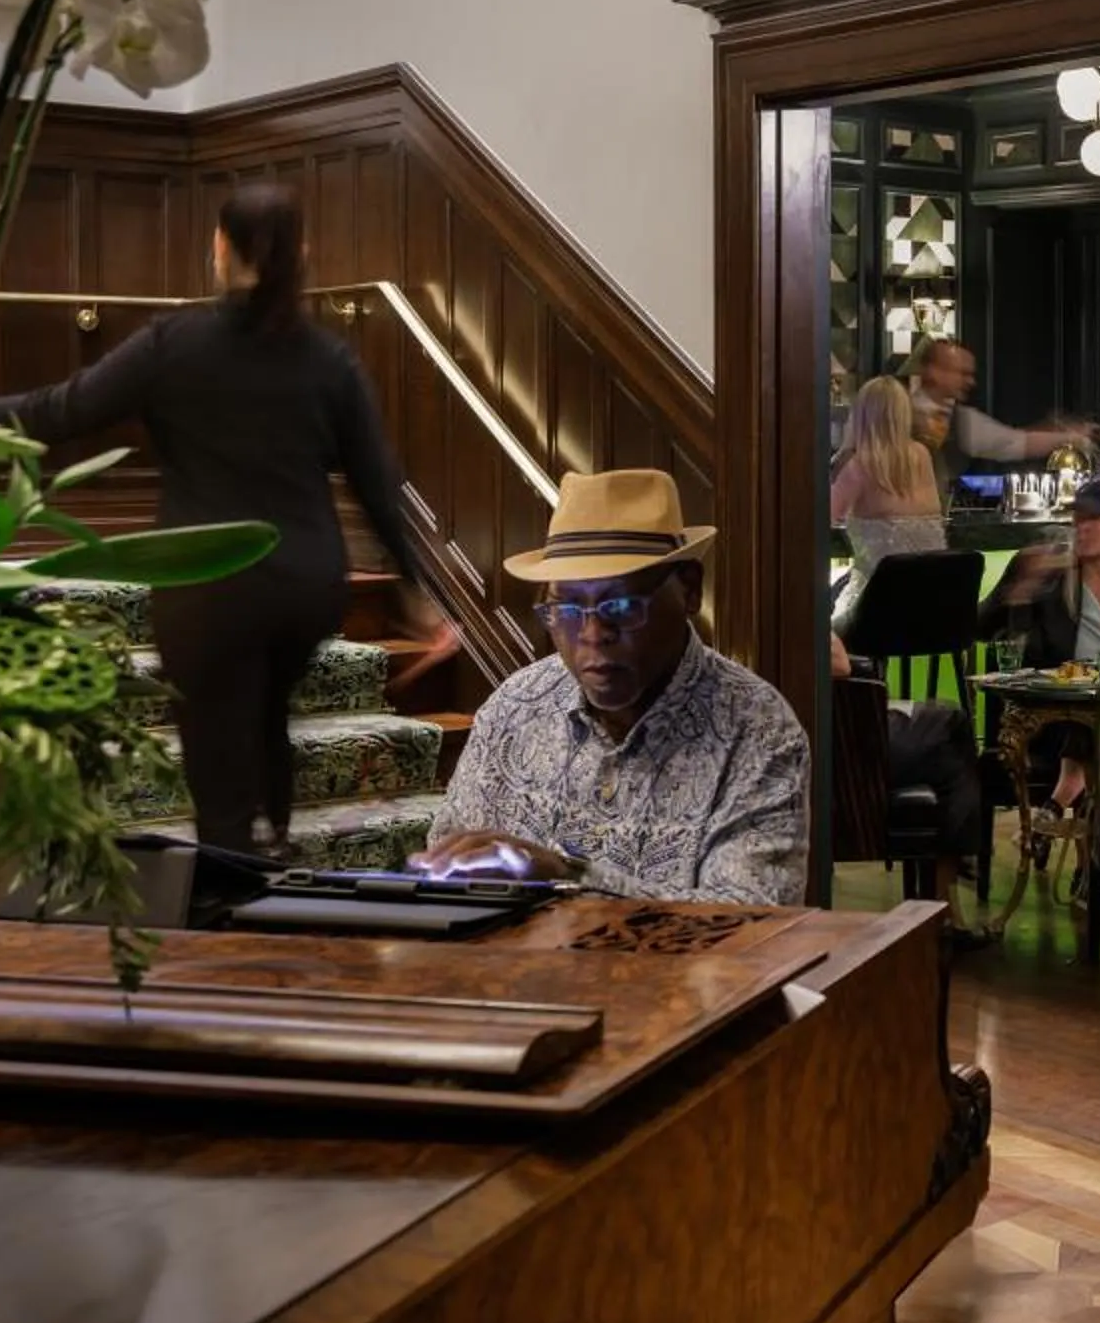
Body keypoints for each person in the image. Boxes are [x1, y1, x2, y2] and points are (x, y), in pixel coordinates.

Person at [0, 181, 455, 857]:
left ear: (219, 249)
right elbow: (376, 479)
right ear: (300, 254)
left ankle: (234, 869)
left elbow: (61, 410)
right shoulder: (328, 360)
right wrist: (413, 592)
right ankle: (274, 838)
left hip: (209, 582)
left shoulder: (176, 343)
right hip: (305, 584)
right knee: (267, 712)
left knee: (214, 736)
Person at [410, 469, 809, 904]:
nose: (593, 633)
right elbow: (447, 873)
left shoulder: (755, 729)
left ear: (690, 590)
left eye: (619, 605)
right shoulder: (513, 709)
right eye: (566, 607)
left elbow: (750, 922)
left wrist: (568, 878)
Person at [986, 477, 1100, 811]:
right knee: (1093, 718)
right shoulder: (1051, 579)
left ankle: (1058, 805)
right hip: (1062, 714)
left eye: (1092, 521)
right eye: (1077, 522)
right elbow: (980, 626)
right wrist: (1019, 591)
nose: (1081, 529)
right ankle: (1068, 802)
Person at [831, 631, 990, 947]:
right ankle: (950, 886)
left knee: (949, 763)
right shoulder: (796, 606)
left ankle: (947, 901)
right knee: (952, 726)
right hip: (849, 736)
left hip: (840, 730)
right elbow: (839, 665)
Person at [830, 374, 947, 629]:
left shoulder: (858, 466)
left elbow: (823, 517)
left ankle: (862, 669)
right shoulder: (922, 455)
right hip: (937, 608)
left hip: (876, 611)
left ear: (860, 416)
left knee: (816, 631)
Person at [903, 337, 1089, 485]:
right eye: (962, 373)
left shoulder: (963, 421)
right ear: (934, 371)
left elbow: (1017, 442)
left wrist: (1070, 437)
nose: (971, 382)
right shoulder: (893, 407)